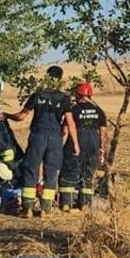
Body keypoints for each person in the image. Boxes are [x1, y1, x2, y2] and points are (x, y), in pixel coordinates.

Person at [10, 65, 78, 217]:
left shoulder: (37, 95)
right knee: (51, 172)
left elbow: (21, 116)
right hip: (55, 139)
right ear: (60, 79)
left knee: (31, 169)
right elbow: (70, 123)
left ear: (47, 77)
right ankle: (45, 209)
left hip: (38, 136)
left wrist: (7, 115)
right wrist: (75, 143)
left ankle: (27, 208)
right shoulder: (65, 98)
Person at [57, 83, 109, 211]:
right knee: (88, 175)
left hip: (75, 145)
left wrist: (59, 147)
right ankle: (85, 204)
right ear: (90, 95)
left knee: (69, 172)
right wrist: (101, 149)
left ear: (78, 95)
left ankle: (66, 204)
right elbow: (103, 133)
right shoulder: (99, 111)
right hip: (93, 146)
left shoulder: (73, 110)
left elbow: (66, 131)